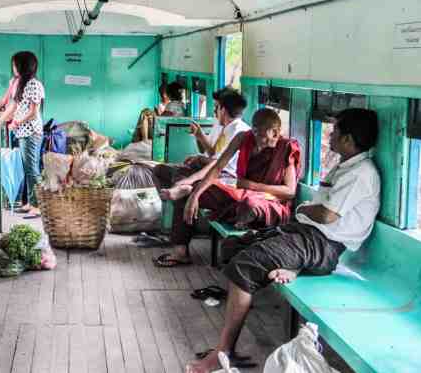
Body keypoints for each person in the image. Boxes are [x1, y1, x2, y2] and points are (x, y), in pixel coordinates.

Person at [186, 108, 380, 373]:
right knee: (234, 246)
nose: (330, 135)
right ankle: (293, 267)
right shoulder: (347, 166)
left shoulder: (361, 174)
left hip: (321, 245)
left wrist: (301, 210)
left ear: (348, 140)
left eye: (335, 132)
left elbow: (325, 214)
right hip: (306, 235)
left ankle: (224, 352)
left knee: (245, 265)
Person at [154, 108, 301, 267]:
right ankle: (180, 252)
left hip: (268, 200)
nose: (258, 140)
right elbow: (217, 168)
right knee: (190, 194)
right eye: (255, 133)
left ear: (275, 132)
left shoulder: (286, 148)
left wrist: (252, 186)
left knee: (251, 205)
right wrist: (196, 194)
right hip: (239, 192)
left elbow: (289, 192)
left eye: (263, 136)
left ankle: (239, 216)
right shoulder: (243, 138)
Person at [154, 88, 250, 189]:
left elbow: (216, 164)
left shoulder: (238, 131)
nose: (214, 111)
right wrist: (199, 136)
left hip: (223, 174)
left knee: (179, 178)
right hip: (208, 167)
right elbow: (211, 153)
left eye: (216, 107)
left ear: (223, 110)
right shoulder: (220, 124)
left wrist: (193, 174)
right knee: (161, 170)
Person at [0, 51, 45, 218]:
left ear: (23, 66)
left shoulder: (33, 84)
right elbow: (13, 107)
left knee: (32, 169)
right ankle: (30, 202)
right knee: (26, 168)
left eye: (15, 64)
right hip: (22, 132)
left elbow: (33, 112)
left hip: (31, 132)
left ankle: (38, 206)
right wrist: (3, 121)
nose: (13, 68)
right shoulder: (21, 83)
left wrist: (16, 122)